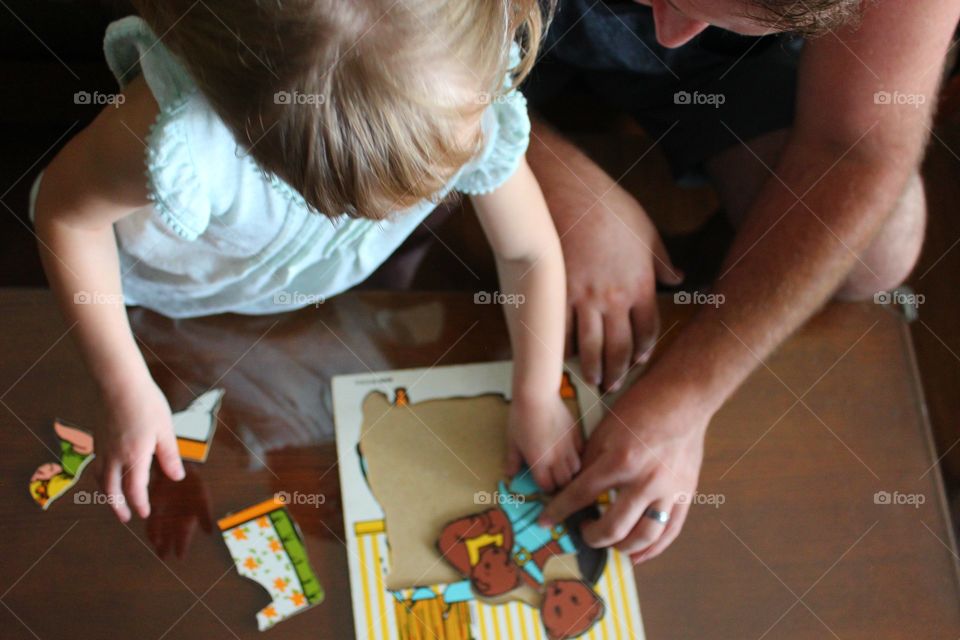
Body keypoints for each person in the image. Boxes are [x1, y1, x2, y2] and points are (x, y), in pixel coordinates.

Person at [31, 0, 579, 523]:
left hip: (317, 303)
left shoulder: (463, 91)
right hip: (162, 294)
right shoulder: (189, 138)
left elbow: (527, 251)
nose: (396, 213)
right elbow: (67, 218)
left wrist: (538, 391)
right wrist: (124, 385)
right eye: (352, 202)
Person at [534, 0, 960, 563]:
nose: (671, 33)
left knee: (876, 253)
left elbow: (854, 151)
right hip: (473, 35)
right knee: (403, 146)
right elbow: (391, 58)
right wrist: (555, 185)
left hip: (726, 69)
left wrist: (686, 396)